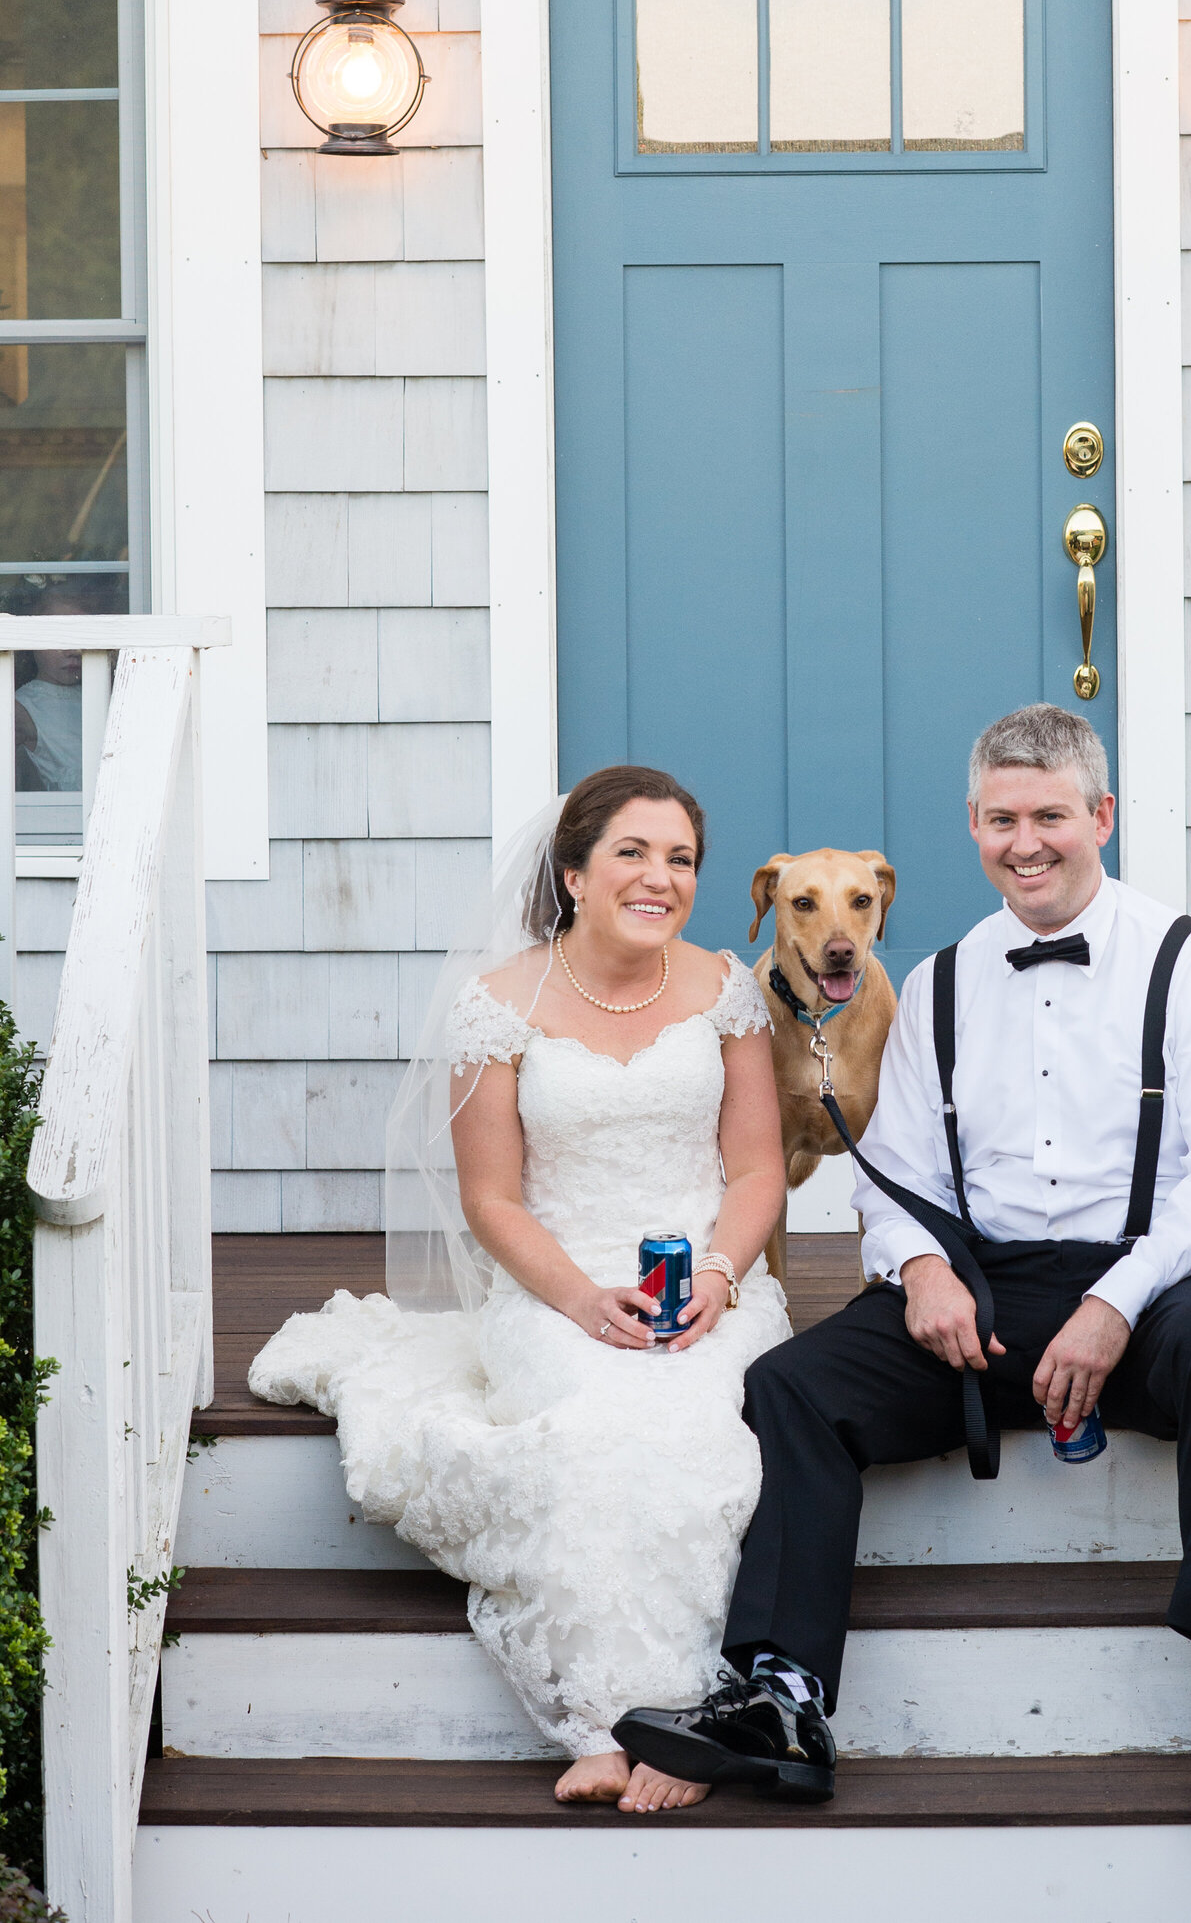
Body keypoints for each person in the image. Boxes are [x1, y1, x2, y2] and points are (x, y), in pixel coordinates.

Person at [616, 704, 1191, 1819]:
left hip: (1153, 1281)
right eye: (999, 819)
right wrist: (919, 1269)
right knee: (793, 1382)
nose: (1025, 842)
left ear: (1101, 817)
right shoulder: (935, 983)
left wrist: (1116, 1302)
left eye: (1050, 817)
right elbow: (893, 1176)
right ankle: (784, 1694)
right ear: (972, 828)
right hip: (985, 1289)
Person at [250, 765, 791, 1814]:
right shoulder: (500, 1005)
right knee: (587, 1432)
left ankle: (675, 1722)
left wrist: (722, 1275)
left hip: (708, 1284)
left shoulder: (725, 987)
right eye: (632, 852)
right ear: (575, 873)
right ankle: (600, 1721)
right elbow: (492, 1199)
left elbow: (759, 1168)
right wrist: (584, 1299)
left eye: (680, 858)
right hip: (555, 1284)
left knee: (689, 1428)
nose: (659, 877)